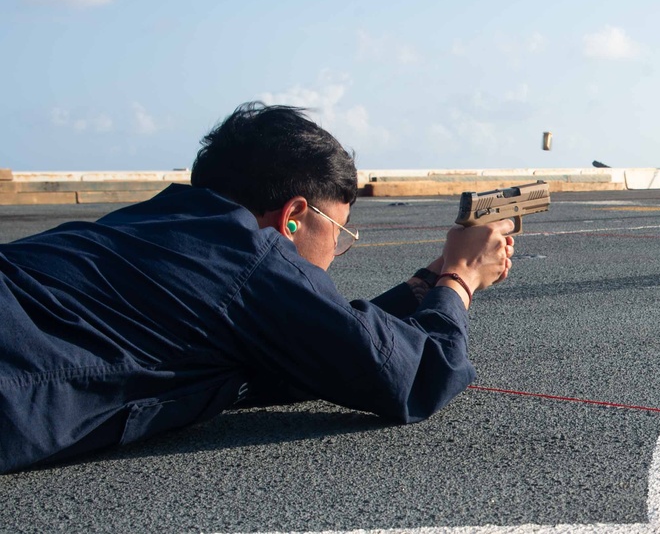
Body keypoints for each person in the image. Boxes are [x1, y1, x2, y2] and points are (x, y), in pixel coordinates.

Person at [0, 102, 514, 474]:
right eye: (338, 232)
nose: (336, 253)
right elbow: (419, 378)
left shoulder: (158, 223)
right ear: (292, 217)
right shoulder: (249, 258)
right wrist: (460, 279)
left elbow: (315, 346)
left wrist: (425, 285)